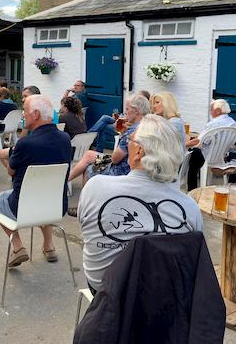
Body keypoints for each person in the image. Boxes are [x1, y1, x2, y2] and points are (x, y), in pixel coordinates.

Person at [78, 114, 203, 292]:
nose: (127, 143)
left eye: (130, 139)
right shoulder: (188, 207)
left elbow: (86, 230)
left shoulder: (95, 187)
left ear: (139, 152)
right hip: (167, 299)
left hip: (107, 295)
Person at [0, 94, 72, 266]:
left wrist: (8, 162)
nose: (23, 115)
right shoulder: (65, 139)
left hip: (24, 209)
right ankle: (49, 246)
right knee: (42, 194)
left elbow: (11, 171)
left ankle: (18, 247)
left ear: (35, 114)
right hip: (56, 207)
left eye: (25, 111)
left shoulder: (25, 144)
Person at [68, 95, 150, 185]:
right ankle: (65, 181)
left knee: (89, 168)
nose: (125, 113)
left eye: (127, 109)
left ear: (136, 111)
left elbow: (115, 159)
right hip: (137, 169)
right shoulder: (148, 126)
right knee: (89, 155)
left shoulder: (132, 133)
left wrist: (123, 135)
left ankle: (68, 185)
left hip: (120, 171)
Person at [186, 99, 236, 191]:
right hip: (220, 156)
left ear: (218, 111)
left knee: (191, 155)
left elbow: (198, 141)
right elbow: (231, 143)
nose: (210, 112)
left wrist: (184, 144)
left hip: (206, 156)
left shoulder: (214, 123)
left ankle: (191, 189)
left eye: (211, 109)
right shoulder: (233, 123)